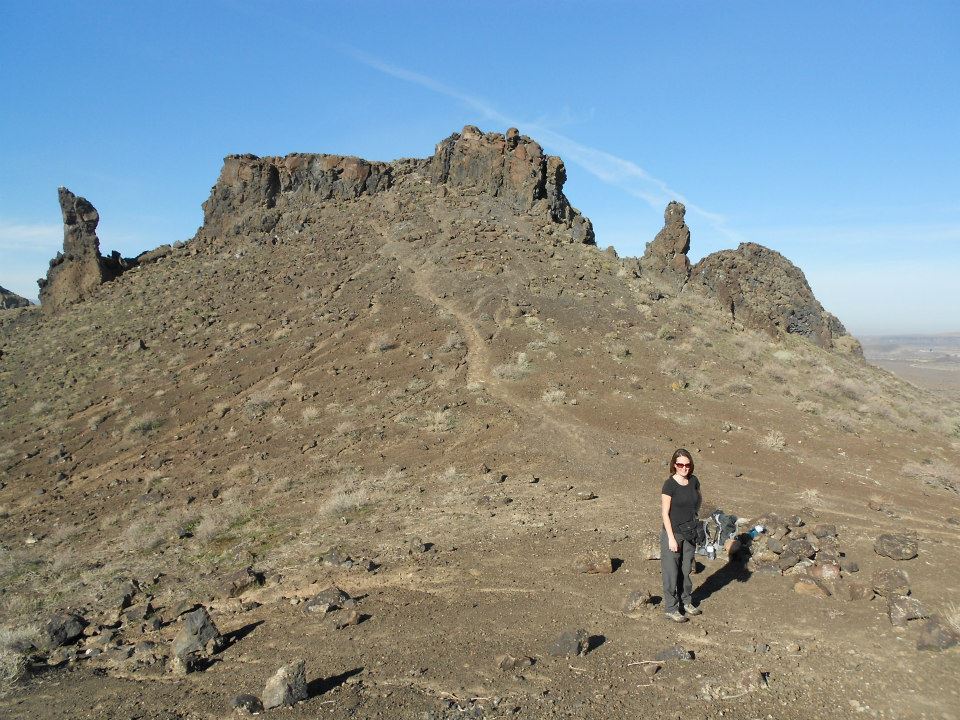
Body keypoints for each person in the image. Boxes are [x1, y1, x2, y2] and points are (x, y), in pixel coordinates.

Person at [660, 448, 702, 622]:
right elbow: (665, 513)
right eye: (680, 465)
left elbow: (698, 500)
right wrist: (670, 538)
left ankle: (686, 601)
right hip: (674, 534)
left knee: (685, 570)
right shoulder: (669, 485)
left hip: (689, 532)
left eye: (687, 465)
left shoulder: (694, 481)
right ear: (674, 465)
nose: (684, 468)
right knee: (671, 572)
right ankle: (671, 608)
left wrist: (694, 519)